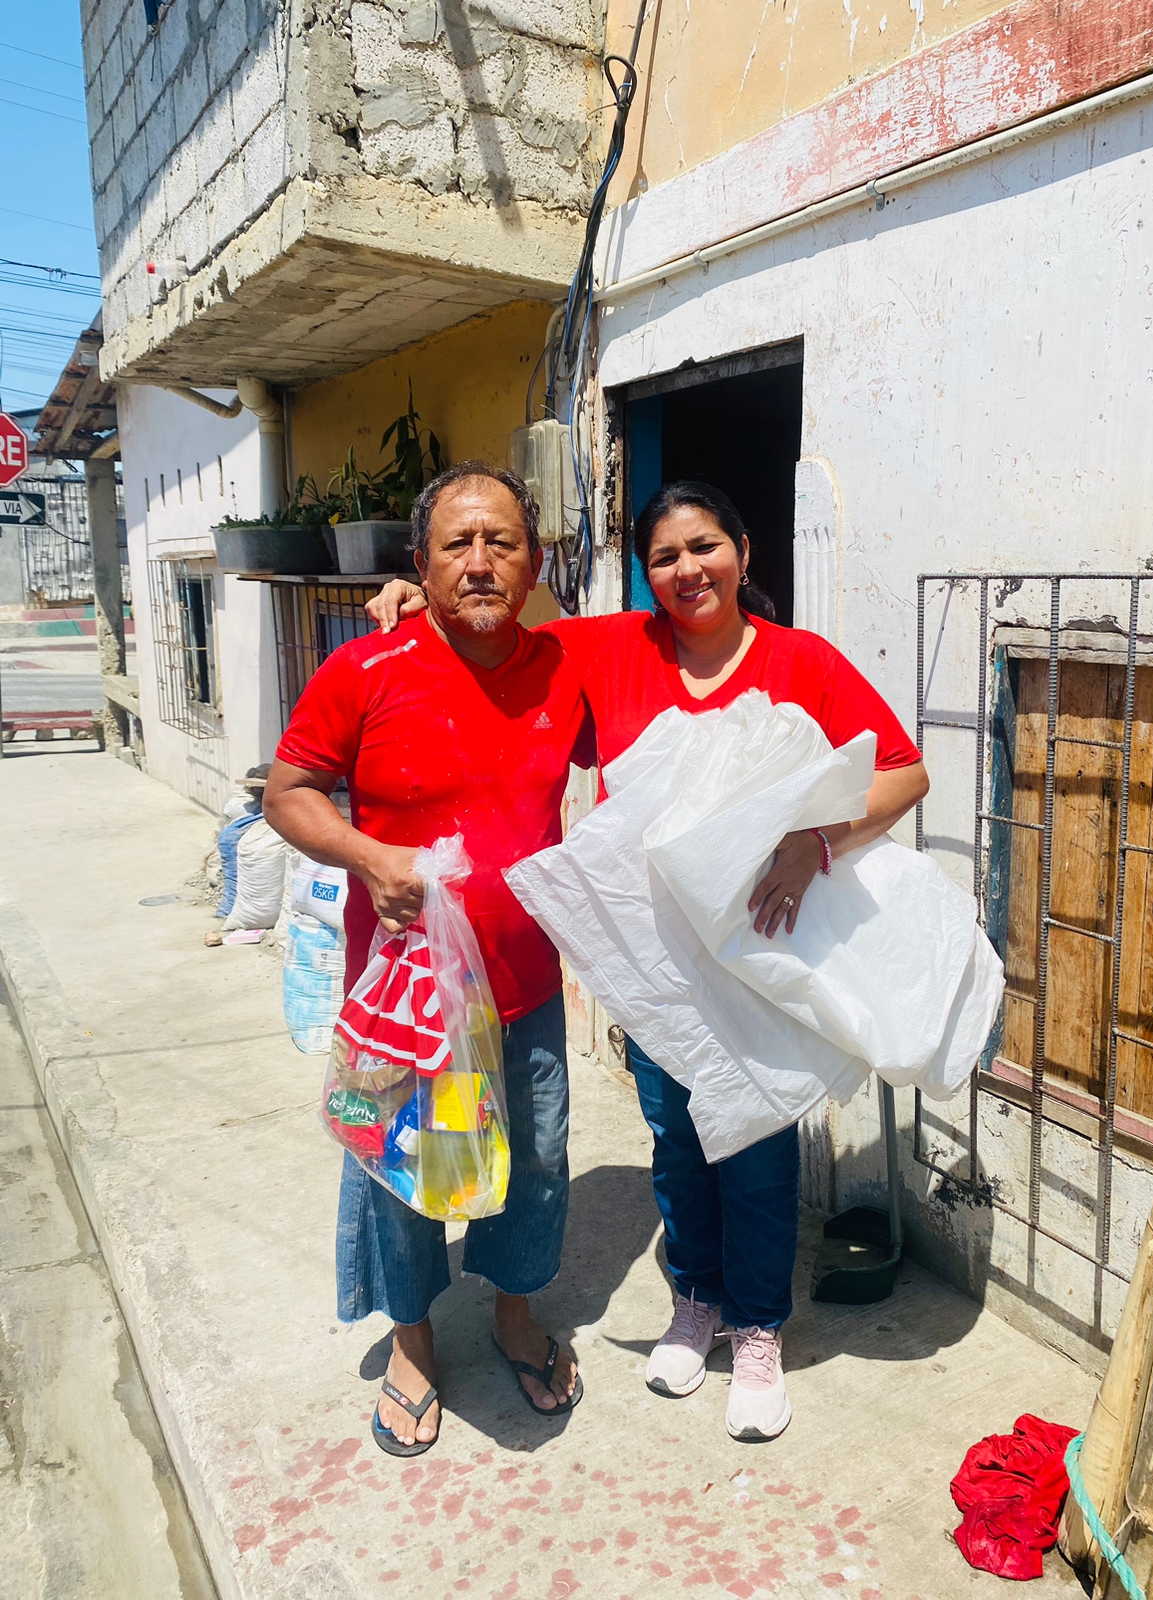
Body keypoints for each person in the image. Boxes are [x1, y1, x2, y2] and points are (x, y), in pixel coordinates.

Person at [367, 479, 929, 1442]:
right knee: (676, 1137)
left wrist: (817, 841)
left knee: (756, 1144)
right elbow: (502, 630)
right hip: (660, 963)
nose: (687, 570)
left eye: (705, 547)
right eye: (665, 557)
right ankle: (697, 1301)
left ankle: (758, 1327)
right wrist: (422, 596)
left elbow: (904, 770)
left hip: (764, 954)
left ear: (744, 553)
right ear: (646, 575)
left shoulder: (801, 661)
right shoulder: (614, 648)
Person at [264, 462, 591, 1458]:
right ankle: (412, 1342)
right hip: (402, 1002)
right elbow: (288, 792)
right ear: (420, 560)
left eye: (503, 542)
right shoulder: (366, 669)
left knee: (533, 1162)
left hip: (523, 987)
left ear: (537, 562)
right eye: (457, 544)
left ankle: (514, 1316)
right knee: (400, 1169)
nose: (480, 562)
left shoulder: (567, 666)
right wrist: (369, 856)